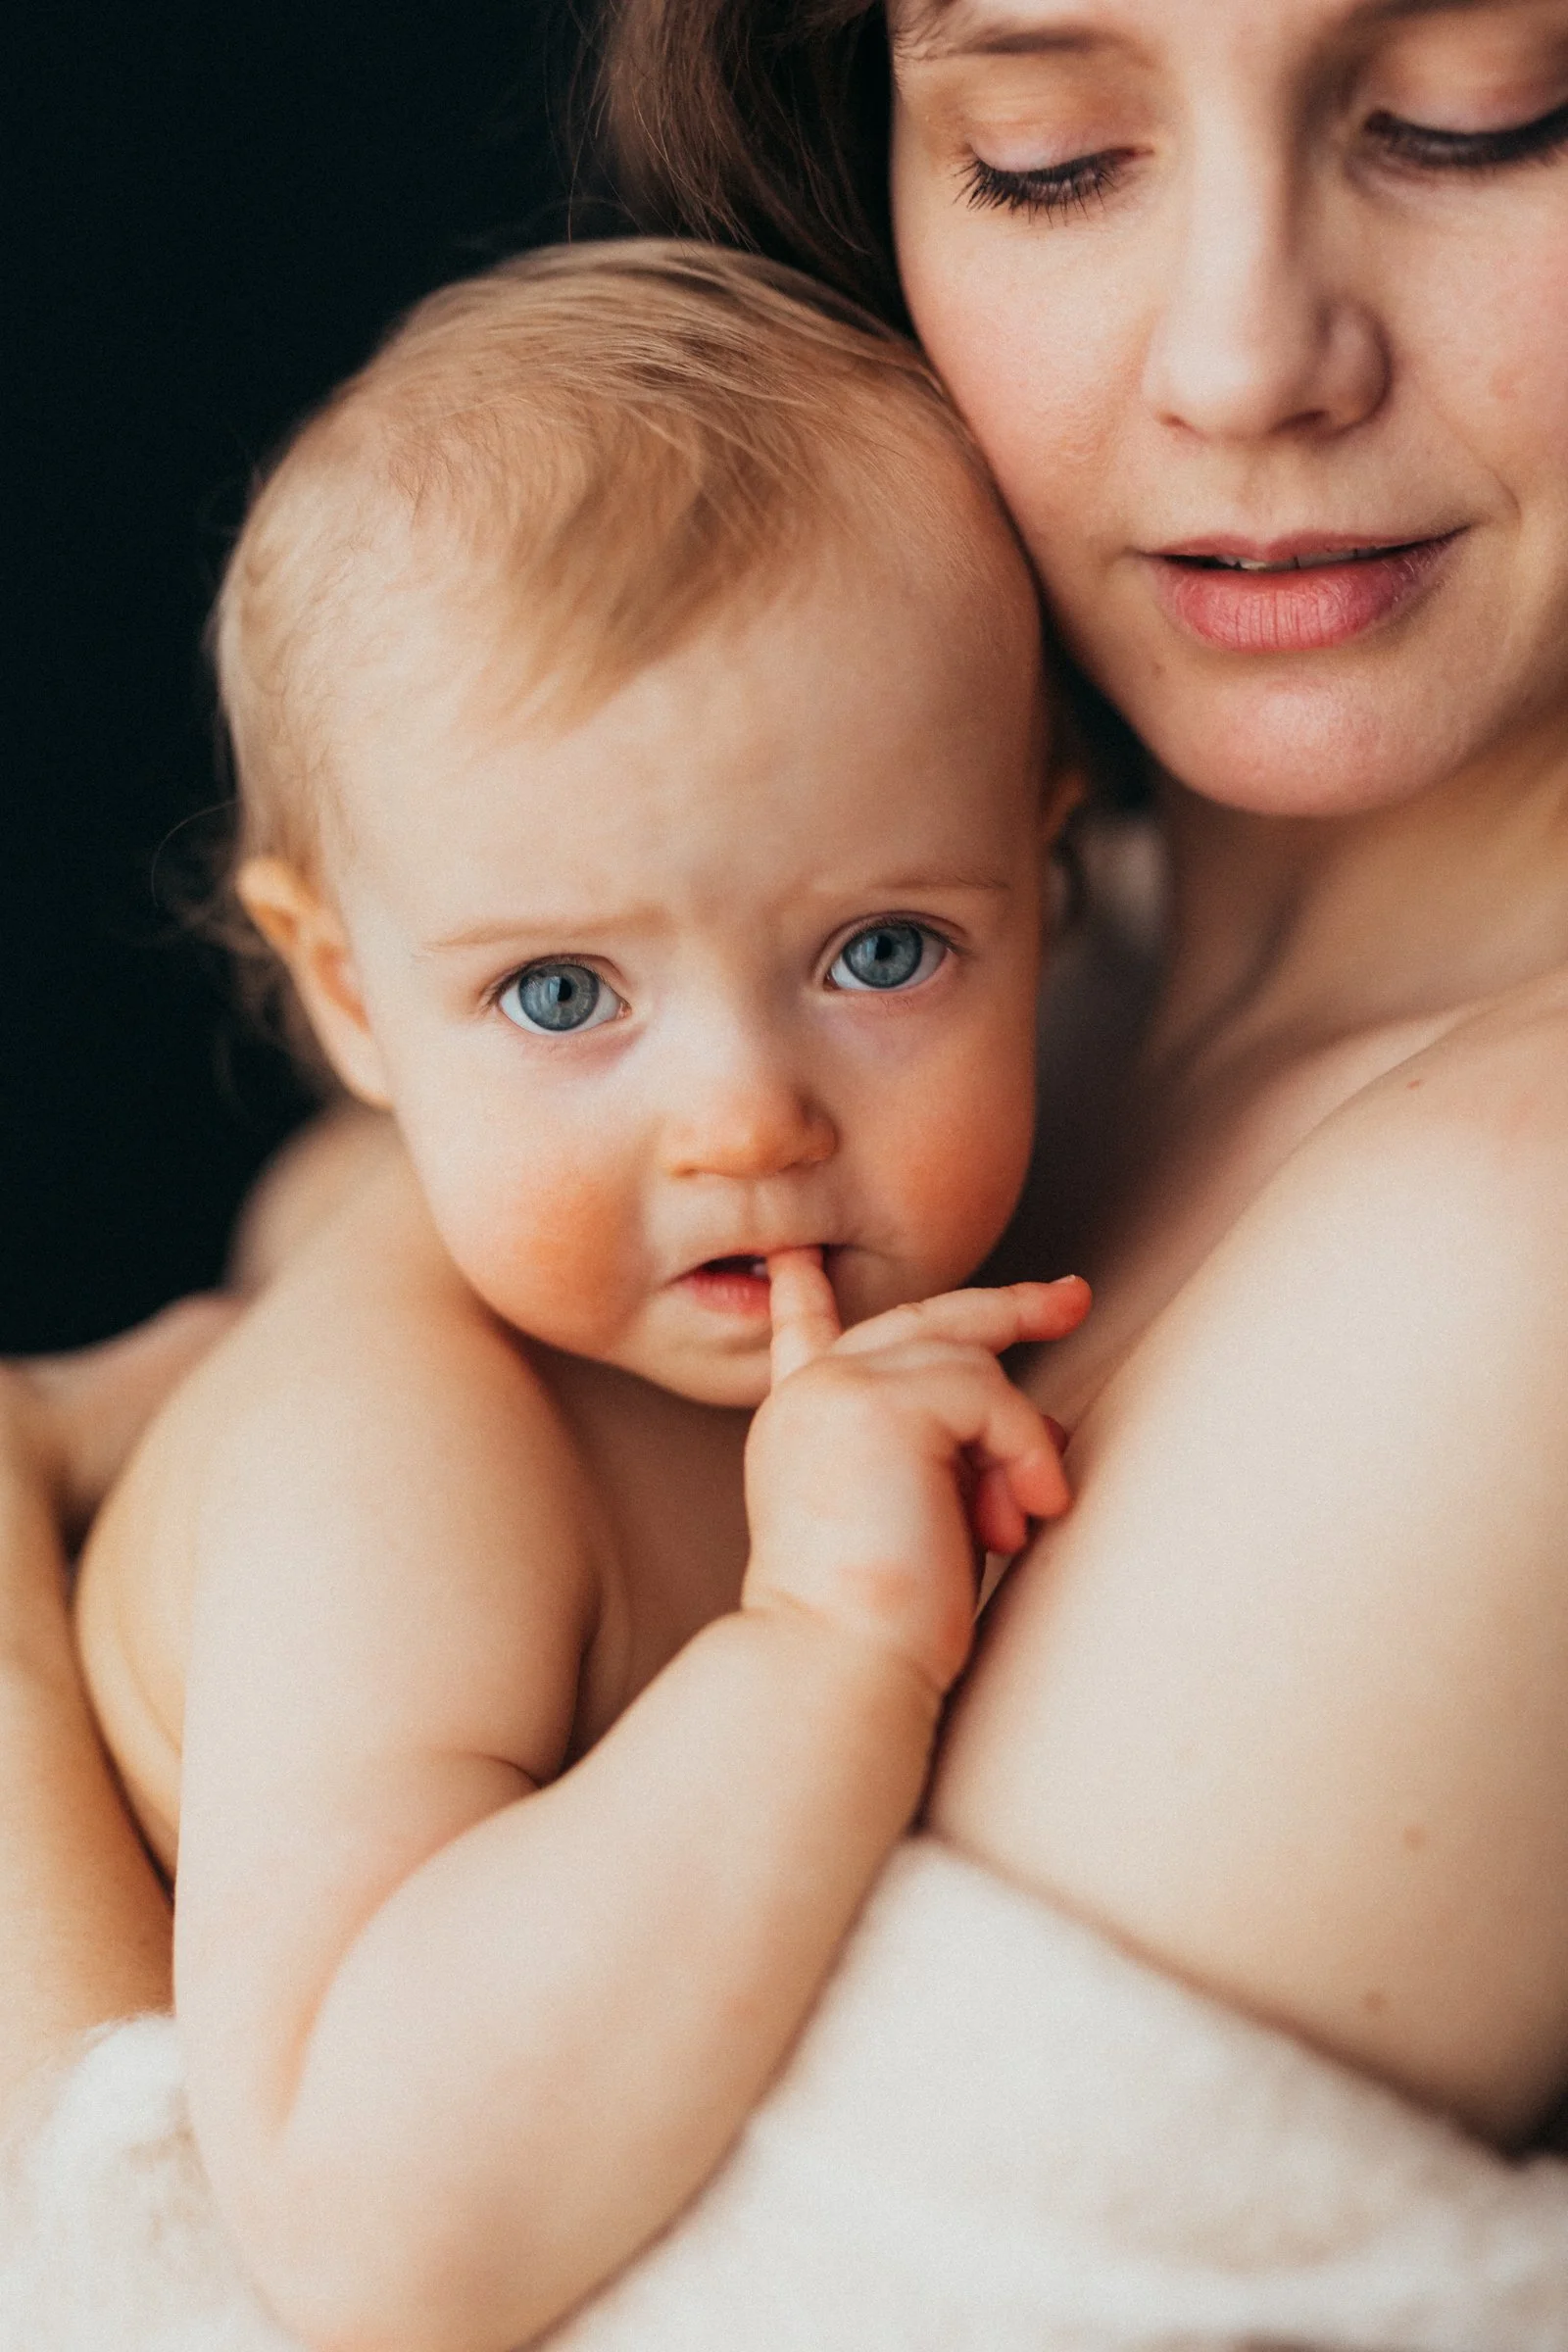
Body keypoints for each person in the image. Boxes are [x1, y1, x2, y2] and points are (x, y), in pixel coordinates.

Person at [7, 0, 1568, 2328]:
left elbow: (331, 2273)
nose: (1247, 360)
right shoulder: (1043, 978)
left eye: (1483, 118)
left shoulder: (1495, 1250)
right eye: (1043, 156)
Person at [71, 239, 1089, 2352]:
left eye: (882, 953)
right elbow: (368, 2237)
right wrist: (820, 1646)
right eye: (560, 994)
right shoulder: (408, 1460)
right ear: (348, 987)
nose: (742, 1118)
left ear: (1050, 886)